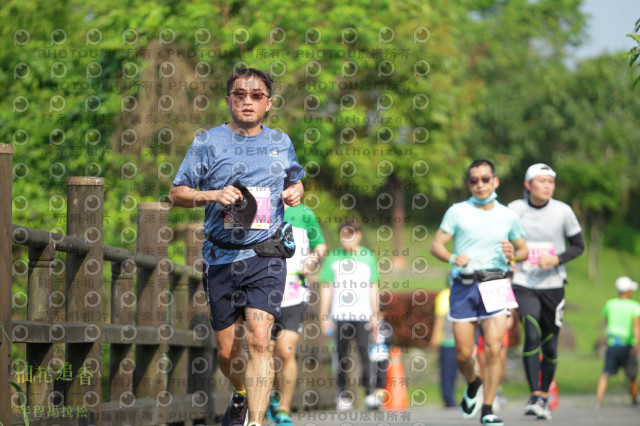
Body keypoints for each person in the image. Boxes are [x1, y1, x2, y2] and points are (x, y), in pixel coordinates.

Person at [168, 68, 305, 426]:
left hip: (266, 254)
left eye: (256, 95)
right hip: (221, 257)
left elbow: (296, 181)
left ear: (268, 103)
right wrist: (213, 195)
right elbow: (176, 194)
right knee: (229, 353)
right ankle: (241, 393)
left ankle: (256, 423)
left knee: (261, 341)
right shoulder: (207, 142)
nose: (248, 101)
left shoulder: (281, 141)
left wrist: (296, 192)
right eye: (240, 94)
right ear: (228, 100)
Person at [430, 159, 529, 426]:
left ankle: (488, 409)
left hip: (496, 282)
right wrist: (452, 258)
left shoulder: (508, 215)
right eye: (474, 180)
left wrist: (513, 253)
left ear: (495, 181)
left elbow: (524, 250)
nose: (480, 184)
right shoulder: (457, 211)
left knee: (494, 350)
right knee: (464, 355)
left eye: (485, 179)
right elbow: (436, 244)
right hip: (463, 285)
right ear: (469, 184)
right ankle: (474, 383)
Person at [508, 163, 584, 420]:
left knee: (550, 346)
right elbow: (503, 243)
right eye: (541, 181)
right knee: (531, 332)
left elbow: (578, 246)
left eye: (551, 182)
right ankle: (535, 395)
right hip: (523, 283)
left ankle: (543, 396)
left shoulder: (563, 211)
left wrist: (557, 259)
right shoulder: (514, 210)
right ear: (528, 185)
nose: (547, 186)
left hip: (553, 285)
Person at [266, 203, 327, 425]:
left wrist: (312, 260)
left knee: (285, 350)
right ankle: (271, 394)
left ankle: (283, 408)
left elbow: (320, 246)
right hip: (264, 290)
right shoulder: (263, 206)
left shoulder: (304, 213)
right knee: (266, 351)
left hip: (295, 289)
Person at [319, 220, 381, 411]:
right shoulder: (333, 258)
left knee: (365, 354)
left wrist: (375, 314)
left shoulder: (368, 257)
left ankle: (370, 394)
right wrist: (324, 315)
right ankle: (342, 395)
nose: (345, 240)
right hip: (340, 315)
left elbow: (373, 287)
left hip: (363, 315)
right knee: (342, 356)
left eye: (349, 235)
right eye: (343, 236)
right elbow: (327, 287)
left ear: (358, 235)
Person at [595, 276, 640, 408]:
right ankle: (633, 400)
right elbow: (635, 326)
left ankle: (598, 399)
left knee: (606, 373)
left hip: (613, 344)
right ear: (628, 290)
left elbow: (606, 322)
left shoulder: (610, 304)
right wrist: (638, 343)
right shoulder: (634, 306)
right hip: (628, 345)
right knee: (632, 376)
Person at [428, 274, 459, 408]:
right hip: (446, 341)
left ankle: (452, 397)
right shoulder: (444, 295)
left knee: (455, 372)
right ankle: (448, 398)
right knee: (447, 371)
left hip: (460, 341)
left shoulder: (461, 294)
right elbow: (440, 318)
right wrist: (435, 337)